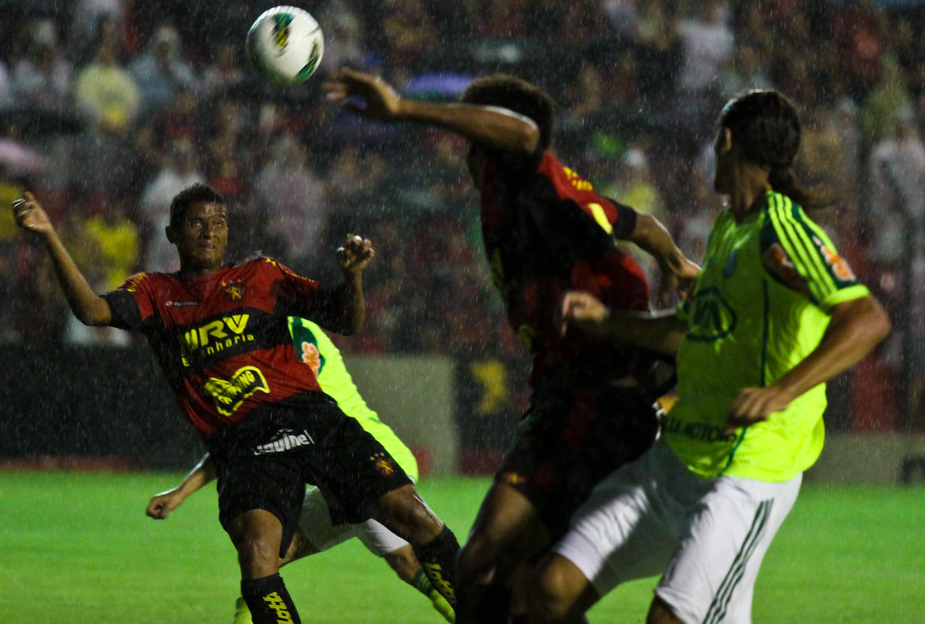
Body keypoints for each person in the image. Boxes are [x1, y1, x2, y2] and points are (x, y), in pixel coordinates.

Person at [324, 68, 700, 622]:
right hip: (567, 402)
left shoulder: (525, 179)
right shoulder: (555, 194)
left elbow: (525, 133)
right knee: (528, 589)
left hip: (597, 404)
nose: (464, 155)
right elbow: (639, 222)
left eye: (472, 139)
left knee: (483, 567)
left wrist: (403, 110)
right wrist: (675, 261)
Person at [13, 183, 459, 623]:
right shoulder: (155, 292)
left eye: (219, 222)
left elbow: (347, 320)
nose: (210, 232)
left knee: (415, 518)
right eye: (196, 223)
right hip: (245, 442)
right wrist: (50, 235)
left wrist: (352, 278)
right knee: (259, 555)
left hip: (312, 418)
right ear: (172, 234)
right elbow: (92, 311)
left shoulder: (262, 276)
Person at [528, 89, 891, 623]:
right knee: (550, 590)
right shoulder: (730, 227)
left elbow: (867, 318)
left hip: (747, 471)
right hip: (676, 460)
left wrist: (781, 391)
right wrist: (604, 320)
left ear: (727, 141)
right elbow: (689, 333)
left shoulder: (780, 231)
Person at [147, 315, 456, 624]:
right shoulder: (289, 330)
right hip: (347, 463)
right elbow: (247, 437)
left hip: (361, 460)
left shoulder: (276, 337)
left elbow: (253, 434)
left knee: (406, 560)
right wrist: (181, 492)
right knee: (265, 561)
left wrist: (182, 491)